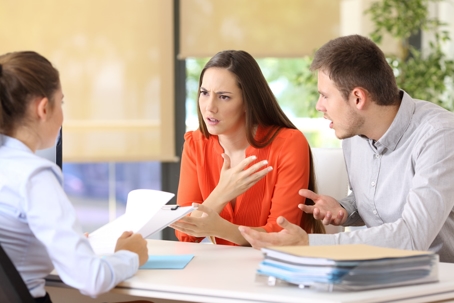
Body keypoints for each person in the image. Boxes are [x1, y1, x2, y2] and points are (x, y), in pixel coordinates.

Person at [239, 34, 454, 263]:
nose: (318, 106)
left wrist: (309, 244)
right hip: (381, 272)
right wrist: (345, 208)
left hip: (440, 280)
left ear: (358, 98)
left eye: (325, 96)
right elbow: (380, 201)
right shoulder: (354, 134)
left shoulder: (439, 136)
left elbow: (412, 238)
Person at [0, 51, 150, 302]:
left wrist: (71, 245)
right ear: (44, 108)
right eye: (62, 102)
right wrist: (129, 255)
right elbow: (90, 279)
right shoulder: (34, 176)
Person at [171, 50, 324, 246]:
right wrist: (221, 193)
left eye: (224, 97)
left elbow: (282, 235)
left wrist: (219, 228)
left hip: (275, 264)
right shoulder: (195, 144)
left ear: (247, 101)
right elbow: (185, 235)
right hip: (218, 268)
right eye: (204, 93)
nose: (209, 107)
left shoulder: (288, 144)